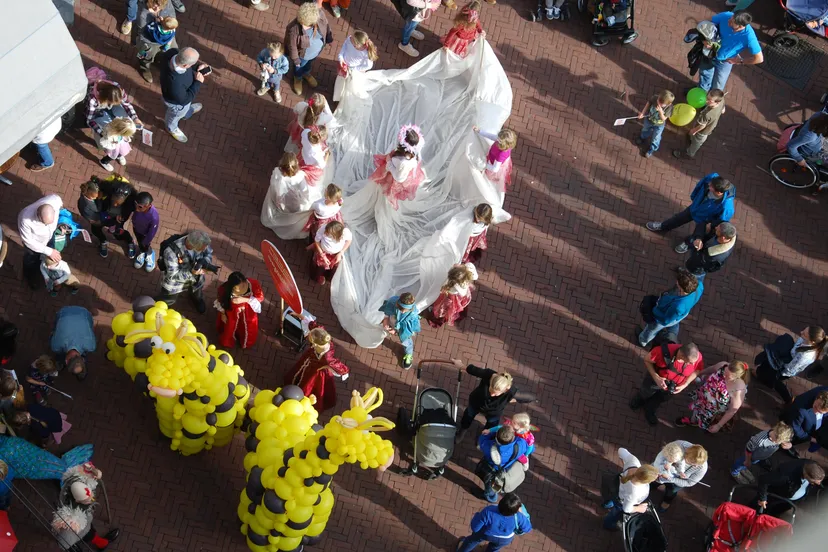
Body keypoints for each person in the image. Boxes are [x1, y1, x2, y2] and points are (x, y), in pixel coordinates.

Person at [646, 174, 736, 251]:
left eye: (711, 186)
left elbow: (720, 221)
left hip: (704, 220)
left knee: (697, 236)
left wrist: (710, 225)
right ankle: (663, 226)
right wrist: (694, 198)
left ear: (719, 192)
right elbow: (699, 185)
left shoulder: (727, 207)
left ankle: (687, 243)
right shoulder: (712, 177)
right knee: (678, 218)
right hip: (695, 208)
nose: (709, 184)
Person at [455, 360, 536, 442]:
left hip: (493, 412)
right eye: (491, 390)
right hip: (476, 402)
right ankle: (462, 431)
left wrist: (511, 399)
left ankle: (483, 438)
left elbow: (530, 398)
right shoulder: (488, 374)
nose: (492, 395)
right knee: (468, 416)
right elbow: (473, 370)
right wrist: (461, 365)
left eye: (496, 393)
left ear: (505, 389)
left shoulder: (510, 390)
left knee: (491, 425)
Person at [629, 342, 704, 425]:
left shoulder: (696, 356)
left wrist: (685, 384)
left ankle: (650, 409)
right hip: (655, 381)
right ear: (682, 357)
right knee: (646, 391)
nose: (693, 364)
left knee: (660, 399)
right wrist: (656, 377)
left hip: (672, 387)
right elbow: (647, 360)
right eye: (690, 362)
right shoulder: (662, 352)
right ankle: (640, 399)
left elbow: (697, 370)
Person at [52, 464, 120, 551]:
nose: (91, 500)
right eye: (87, 500)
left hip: (83, 523)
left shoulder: (79, 483)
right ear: (77, 501)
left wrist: (93, 473)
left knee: (88, 532)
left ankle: (101, 543)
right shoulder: (69, 519)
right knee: (77, 537)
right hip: (73, 530)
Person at [284, 324, 349, 412]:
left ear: (315, 343)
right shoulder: (320, 334)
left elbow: (340, 368)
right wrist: (300, 315)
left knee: (310, 385)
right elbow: (314, 326)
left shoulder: (327, 357)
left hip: (315, 371)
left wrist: (326, 366)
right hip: (308, 361)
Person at [753, 327, 827, 405]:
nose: (801, 332)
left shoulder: (805, 356)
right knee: (771, 374)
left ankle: (788, 399)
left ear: (812, 341)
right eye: (803, 330)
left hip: (785, 369)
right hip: (788, 360)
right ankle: (767, 381)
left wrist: (780, 370)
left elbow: (791, 368)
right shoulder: (806, 342)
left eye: (804, 334)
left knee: (776, 381)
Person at [697, 11, 763, 92]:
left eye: (732, 22)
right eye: (730, 19)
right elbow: (705, 24)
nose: (728, 21)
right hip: (709, 54)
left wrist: (740, 61)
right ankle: (701, 95)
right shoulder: (727, 15)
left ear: (741, 26)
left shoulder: (749, 37)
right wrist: (704, 40)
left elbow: (759, 58)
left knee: (717, 86)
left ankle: (711, 101)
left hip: (724, 62)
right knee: (704, 76)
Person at [675, 360, 748, 432]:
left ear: (737, 377)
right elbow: (710, 369)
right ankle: (693, 421)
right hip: (702, 397)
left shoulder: (739, 389)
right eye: (725, 372)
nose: (724, 375)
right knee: (697, 410)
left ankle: (704, 424)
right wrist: (699, 374)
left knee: (709, 421)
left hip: (714, 410)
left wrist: (719, 425)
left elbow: (732, 410)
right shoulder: (723, 366)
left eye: (728, 376)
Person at [638, 271, 704, 348]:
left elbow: (665, 320)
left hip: (662, 318)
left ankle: (643, 340)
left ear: (681, 288)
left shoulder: (679, 306)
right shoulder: (699, 285)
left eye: (678, 282)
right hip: (681, 313)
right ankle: (671, 332)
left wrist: (654, 311)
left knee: (651, 329)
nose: (676, 282)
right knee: (675, 323)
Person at [370, 124, 426, 210]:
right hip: (395, 170)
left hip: (391, 181)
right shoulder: (411, 154)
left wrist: (389, 162)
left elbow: (399, 178)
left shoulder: (404, 162)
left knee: (385, 202)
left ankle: (381, 210)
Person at [156, 230, 214, 312]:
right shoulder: (171, 252)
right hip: (175, 285)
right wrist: (191, 273)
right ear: (191, 245)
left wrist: (205, 261)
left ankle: (197, 300)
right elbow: (173, 275)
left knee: (197, 293)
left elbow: (209, 253)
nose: (204, 250)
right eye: (201, 249)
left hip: (196, 279)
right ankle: (161, 308)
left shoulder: (201, 242)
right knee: (168, 299)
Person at [261, 153, 315, 240]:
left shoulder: (277, 171)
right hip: (291, 200)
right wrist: (306, 200)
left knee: (281, 207)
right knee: (295, 210)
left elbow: (273, 180)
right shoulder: (299, 177)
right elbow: (305, 192)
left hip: (278, 196)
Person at [601, 448, 659, 530]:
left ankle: (606, 504)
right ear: (646, 481)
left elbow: (621, 450)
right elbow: (626, 509)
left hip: (616, 488)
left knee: (610, 497)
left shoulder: (634, 462)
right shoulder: (635, 493)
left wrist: (624, 462)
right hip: (621, 500)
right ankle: (608, 525)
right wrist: (639, 508)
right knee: (615, 513)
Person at [159, 47, 207, 143]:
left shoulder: (172, 53)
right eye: (192, 64)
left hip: (178, 96)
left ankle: (186, 112)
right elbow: (184, 100)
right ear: (185, 65)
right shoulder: (174, 83)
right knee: (175, 115)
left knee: (185, 110)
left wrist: (197, 67)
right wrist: (198, 83)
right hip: (177, 104)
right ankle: (171, 128)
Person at [456, 492, 532, 551]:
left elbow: (475, 528)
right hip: (505, 538)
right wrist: (521, 513)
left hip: (485, 534)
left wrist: (477, 515)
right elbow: (527, 528)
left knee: (472, 541)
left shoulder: (489, 511)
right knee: (494, 549)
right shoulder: (519, 516)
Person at [286, 3, 334, 95]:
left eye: (305, 24)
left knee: (308, 65)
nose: (302, 25)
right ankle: (298, 78)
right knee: (299, 67)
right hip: (303, 55)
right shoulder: (294, 29)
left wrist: (329, 37)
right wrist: (296, 60)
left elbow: (326, 25)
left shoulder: (319, 14)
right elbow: (292, 46)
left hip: (316, 52)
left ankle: (306, 73)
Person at [18, 194, 64, 289]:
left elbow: (60, 203)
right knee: (31, 260)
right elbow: (28, 241)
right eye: (44, 223)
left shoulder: (54, 200)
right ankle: (30, 277)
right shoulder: (25, 219)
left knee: (47, 257)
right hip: (35, 243)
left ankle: (44, 269)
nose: (46, 225)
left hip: (49, 237)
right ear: (38, 215)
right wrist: (48, 251)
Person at [651, 442, 708, 511]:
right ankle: (650, 487)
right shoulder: (679, 446)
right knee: (653, 482)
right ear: (685, 455)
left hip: (677, 481)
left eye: (698, 464)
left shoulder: (702, 467)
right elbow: (659, 459)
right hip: (663, 472)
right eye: (692, 463)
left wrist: (672, 479)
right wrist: (663, 469)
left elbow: (689, 483)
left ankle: (667, 501)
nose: (696, 466)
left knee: (671, 491)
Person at [214, 272, 265, 349]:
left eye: (244, 286)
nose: (241, 291)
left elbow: (260, 298)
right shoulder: (224, 290)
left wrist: (245, 299)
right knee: (230, 328)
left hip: (248, 313)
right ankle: (228, 342)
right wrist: (223, 314)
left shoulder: (253, 284)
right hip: (232, 315)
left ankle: (246, 342)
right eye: (236, 289)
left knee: (249, 327)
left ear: (245, 281)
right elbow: (221, 303)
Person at [476, 426, 527, 503]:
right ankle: (492, 494)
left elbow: (482, 439)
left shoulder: (490, 448)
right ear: (513, 437)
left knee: (490, 486)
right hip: (507, 468)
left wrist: (490, 433)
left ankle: (490, 497)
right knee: (495, 485)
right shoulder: (521, 445)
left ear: (496, 437)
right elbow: (528, 445)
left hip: (492, 469)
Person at [756, 460, 824, 517]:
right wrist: (763, 498)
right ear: (806, 474)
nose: (817, 484)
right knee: (759, 510)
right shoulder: (785, 475)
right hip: (776, 496)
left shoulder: (813, 465)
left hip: (788, 500)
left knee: (776, 512)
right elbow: (763, 480)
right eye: (813, 482)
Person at [673, 88, 725, 160]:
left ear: (717, 102)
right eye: (707, 97)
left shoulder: (707, 114)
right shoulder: (722, 100)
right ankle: (692, 138)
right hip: (710, 125)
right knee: (695, 138)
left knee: (696, 143)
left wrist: (694, 131)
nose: (706, 101)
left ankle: (689, 154)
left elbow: (702, 126)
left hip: (703, 132)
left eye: (709, 100)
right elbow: (723, 110)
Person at [96, 176, 138, 259]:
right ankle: (103, 241)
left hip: (116, 221)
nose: (115, 205)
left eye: (118, 204)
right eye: (113, 201)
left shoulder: (130, 203)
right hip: (102, 217)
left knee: (118, 233)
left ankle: (129, 241)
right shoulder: (104, 192)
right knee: (96, 229)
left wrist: (122, 218)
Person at [51, 306, 96, 381]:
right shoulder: (56, 346)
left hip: (83, 313)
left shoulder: (91, 346)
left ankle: (60, 364)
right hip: (69, 313)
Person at [781, 387, 828, 455]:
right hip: (802, 429)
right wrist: (810, 438)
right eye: (815, 407)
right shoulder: (800, 408)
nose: (815, 412)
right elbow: (796, 428)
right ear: (817, 397)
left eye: (820, 412)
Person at [428, 263, 478, 327]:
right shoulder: (460, 286)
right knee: (447, 307)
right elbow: (463, 293)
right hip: (452, 297)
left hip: (447, 293)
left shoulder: (454, 273)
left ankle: (438, 312)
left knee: (440, 302)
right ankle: (441, 315)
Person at [379, 292, 421, 369]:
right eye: (400, 308)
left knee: (406, 341)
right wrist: (386, 319)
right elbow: (387, 312)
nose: (402, 312)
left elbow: (406, 328)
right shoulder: (392, 302)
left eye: (405, 310)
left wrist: (396, 331)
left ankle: (409, 354)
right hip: (393, 322)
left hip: (404, 329)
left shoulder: (412, 315)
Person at [334, 30, 378, 102]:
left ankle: (344, 96)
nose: (350, 37)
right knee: (340, 79)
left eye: (352, 39)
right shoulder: (350, 39)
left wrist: (354, 69)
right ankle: (338, 93)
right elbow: (344, 46)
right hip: (343, 64)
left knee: (349, 83)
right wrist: (341, 58)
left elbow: (368, 66)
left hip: (352, 70)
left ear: (357, 45)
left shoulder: (366, 53)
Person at [473, 127, 517, 194]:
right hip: (493, 156)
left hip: (494, 162)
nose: (496, 139)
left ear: (503, 144)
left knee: (489, 175)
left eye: (498, 140)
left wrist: (484, 164)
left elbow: (495, 169)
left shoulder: (501, 154)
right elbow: (492, 136)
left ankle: (491, 180)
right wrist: (479, 131)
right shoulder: (503, 142)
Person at [308, 220, 352, 285]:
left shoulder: (345, 233)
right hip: (323, 253)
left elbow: (349, 241)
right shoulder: (323, 229)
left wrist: (340, 253)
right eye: (326, 231)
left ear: (336, 235)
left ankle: (329, 277)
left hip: (336, 255)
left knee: (333, 268)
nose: (325, 233)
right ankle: (317, 277)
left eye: (328, 233)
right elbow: (317, 241)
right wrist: (323, 256)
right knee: (320, 268)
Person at [137, 15, 179, 83]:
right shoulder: (171, 30)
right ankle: (144, 68)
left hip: (152, 40)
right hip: (162, 42)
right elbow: (172, 36)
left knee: (144, 53)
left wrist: (156, 21)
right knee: (146, 54)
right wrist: (167, 45)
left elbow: (149, 29)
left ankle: (149, 63)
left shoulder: (156, 30)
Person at [635, 90, 675, 158]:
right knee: (645, 129)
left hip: (659, 125)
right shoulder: (655, 98)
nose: (659, 103)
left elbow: (663, 119)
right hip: (649, 120)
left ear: (668, 104)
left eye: (661, 103)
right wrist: (642, 113)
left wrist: (660, 112)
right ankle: (642, 137)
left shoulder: (670, 108)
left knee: (656, 137)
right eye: (658, 100)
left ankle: (652, 148)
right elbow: (648, 103)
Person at [131, 192, 160, 272]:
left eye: (140, 207)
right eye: (136, 204)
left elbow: (152, 232)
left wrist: (146, 241)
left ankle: (150, 254)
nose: (136, 209)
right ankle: (142, 251)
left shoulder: (154, 217)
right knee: (140, 243)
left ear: (148, 206)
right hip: (137, 229)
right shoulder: (139, 208)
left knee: (144, 245)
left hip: (145, 234)